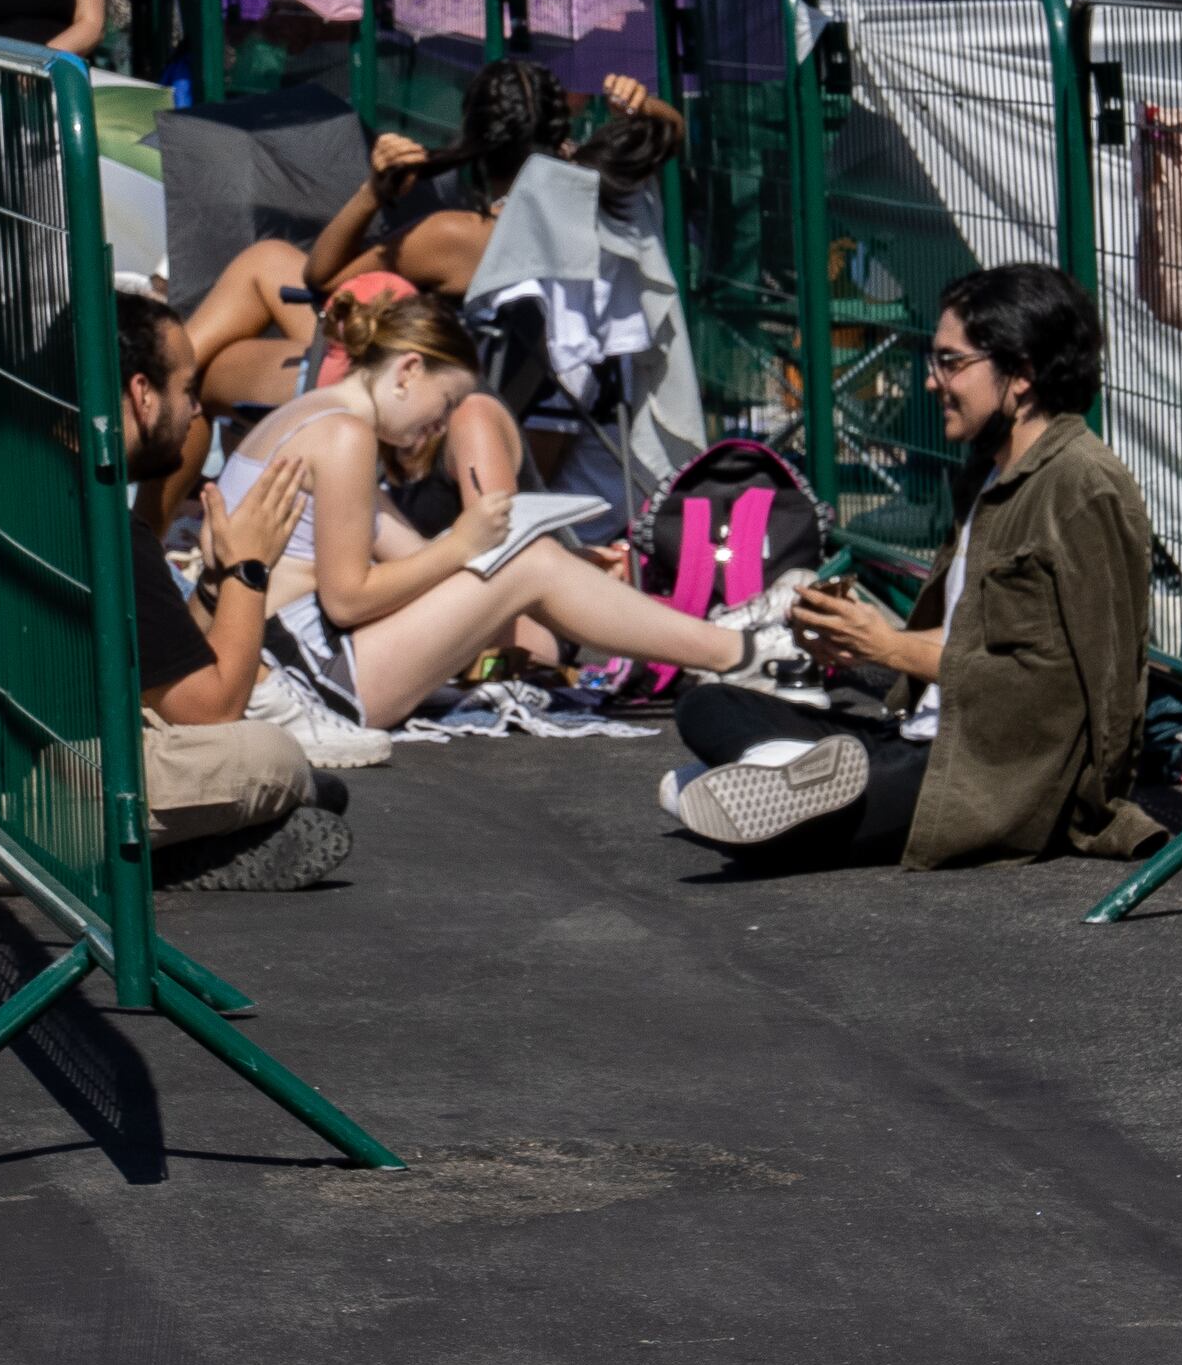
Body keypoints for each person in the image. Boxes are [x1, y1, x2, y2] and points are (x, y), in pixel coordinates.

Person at [663, 265, 1170, 868]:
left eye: (951, 363)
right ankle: (780, 782)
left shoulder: (1083, 486)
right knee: (708, 704)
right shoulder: (986, 473)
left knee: (737, 829)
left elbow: (1070, 682)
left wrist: (889, 651)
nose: (932, 382)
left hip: (988, 773)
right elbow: (972, 638)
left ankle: (775, 791)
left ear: (1022, 374)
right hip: (920, 735)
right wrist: (853, 640)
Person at [213, 288, 817, 732]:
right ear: (408, 371)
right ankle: (738, 652)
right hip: (307, 676)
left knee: (536, 562)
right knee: (531, 566)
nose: (440, 424)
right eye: (446, 401)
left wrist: (551, 566)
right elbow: (350, 596)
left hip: (285, 656)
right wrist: (467, 545)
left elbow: (421, 565)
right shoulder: (345, 436)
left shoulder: (314, 416)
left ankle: (718, 644)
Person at [178, 58, 679, 413]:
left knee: (210, 369)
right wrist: (645, 106)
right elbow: (673, 133)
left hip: (420, 400)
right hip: (555, 404)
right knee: (266, 259)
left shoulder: (456, 236)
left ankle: (161, 393)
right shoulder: (601, 199)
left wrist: (372, 192)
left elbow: (322, 278)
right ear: (558, 129)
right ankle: (164, 384)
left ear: (475, 138)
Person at [116, 290, 354, 887]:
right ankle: (173, 852)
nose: (196, 411)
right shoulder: (101, 528)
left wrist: (220, 583)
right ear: (143, 396)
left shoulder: (23, 481)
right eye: (187, 389)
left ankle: (191, 841)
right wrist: (251, 569)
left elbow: (165, 670)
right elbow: (212, 712)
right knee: (271, 758)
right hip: (12, 805)